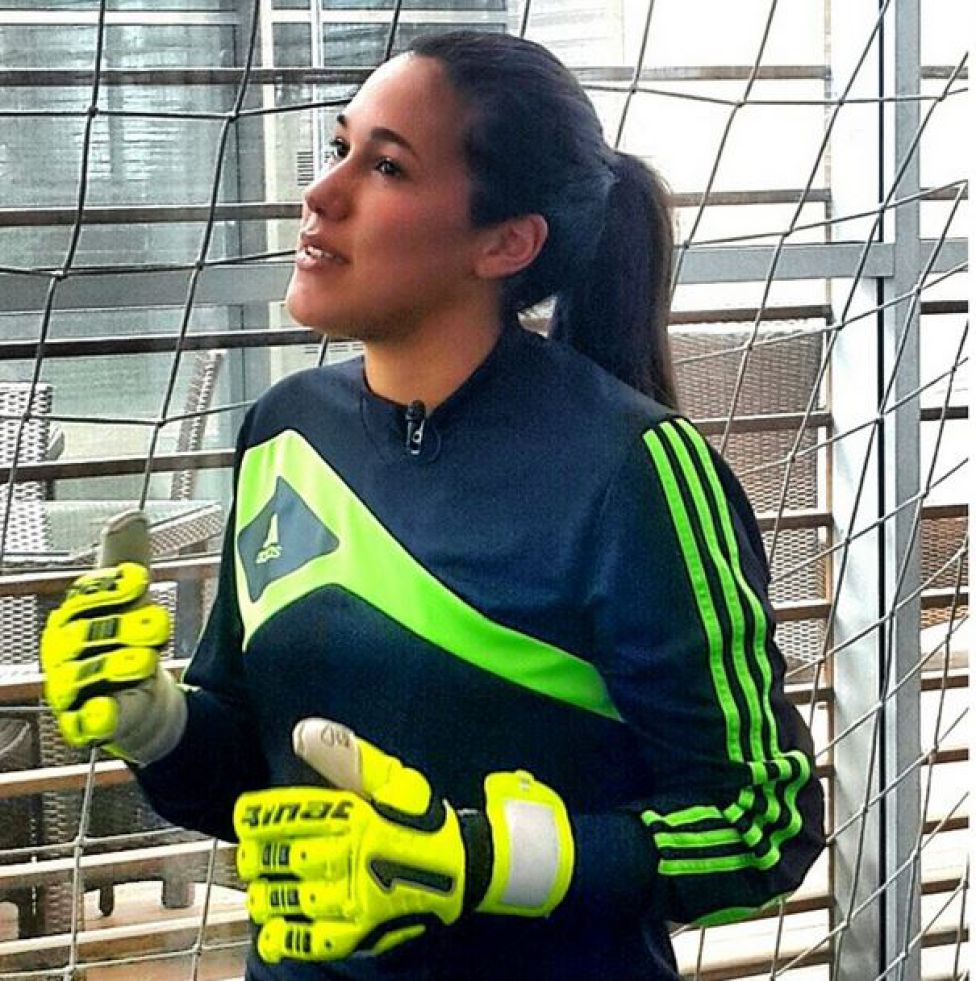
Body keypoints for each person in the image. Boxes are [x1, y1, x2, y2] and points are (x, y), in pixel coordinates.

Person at [40, 30, 825, 981]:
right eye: (339, 148)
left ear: (506, 242)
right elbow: (261, 769)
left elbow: (761, 826)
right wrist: (153, 718)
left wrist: (473, 859)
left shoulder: (636, 469)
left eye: (386, 166)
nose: (322, 193)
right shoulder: (283, 432)